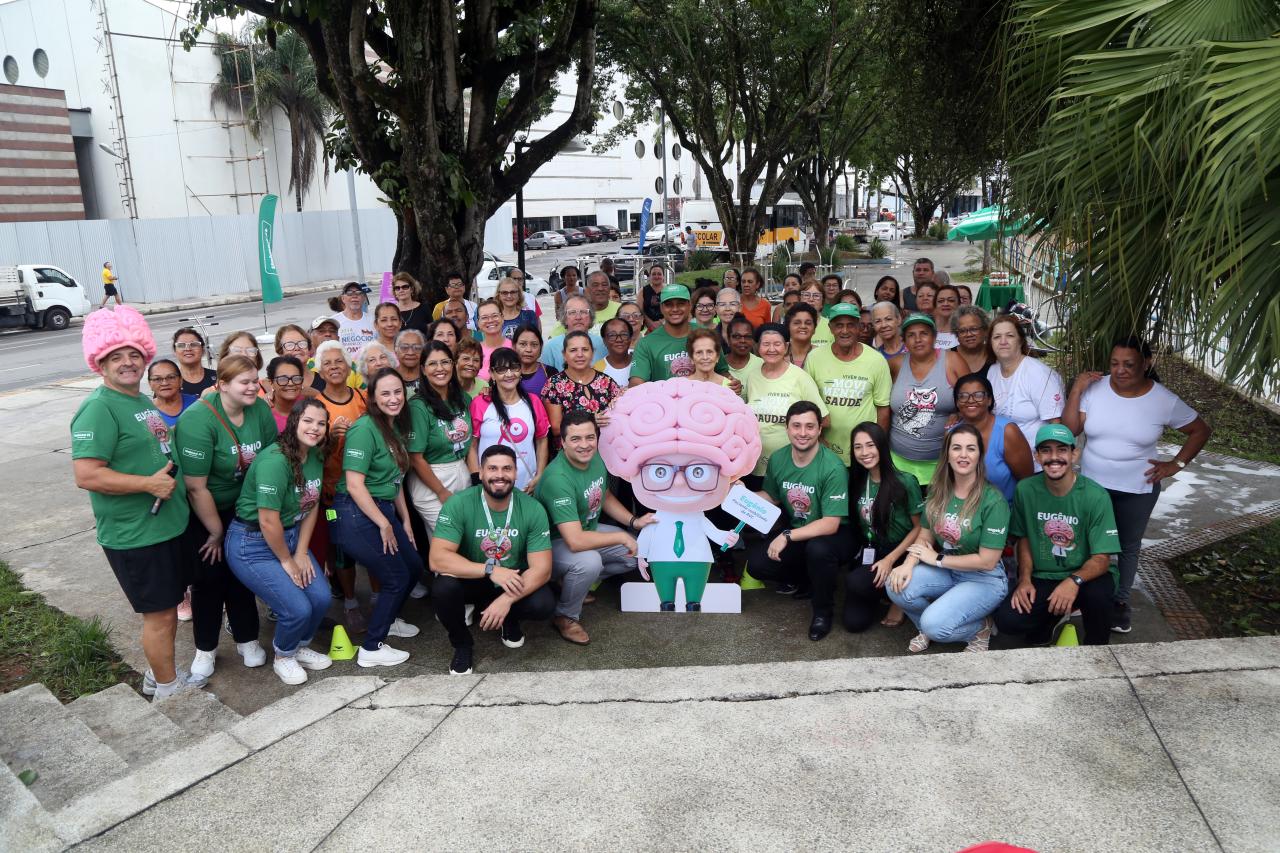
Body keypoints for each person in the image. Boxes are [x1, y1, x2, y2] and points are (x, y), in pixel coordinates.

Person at [71, 307, 197, 699]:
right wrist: (147, 484)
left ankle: (159, 674)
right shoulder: (99, 407)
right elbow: (87, 474)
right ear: (100, 362)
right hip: (136, 535)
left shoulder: (139, 400)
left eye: (133, 354)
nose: (127, 362)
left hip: (167, 526)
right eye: (116, 357)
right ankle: (168, 690)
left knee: (168, 608)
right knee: (158, 617)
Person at [1062, 336, 1211, 633]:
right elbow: (1070, 429)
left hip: (1137, 487)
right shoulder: (1095, 389)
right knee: (1085, 540)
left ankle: (1119, 602)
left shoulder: (1162, 400)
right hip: (1091, 485)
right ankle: (1083, 594)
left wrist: (1175, 465)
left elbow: (1200, 430)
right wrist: (1077, 390)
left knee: (1127, 547)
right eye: (1115, 364)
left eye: (1129, 364)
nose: (1120, 370)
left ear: (1146, 363)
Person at [173, 355, 277, 681]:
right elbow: (195, 486)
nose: (252, 387)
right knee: (208, 580)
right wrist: (216, 532)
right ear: (222, 385)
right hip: (205, 508)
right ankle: (206, 648)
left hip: (245, 506)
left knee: (242, 574)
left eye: (254, 380)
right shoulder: (197, 420)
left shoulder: (259, 409)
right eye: (244, 382)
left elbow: (272, 458)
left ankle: (247, 639)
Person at [225, 399, 334, 685]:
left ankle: (299, 646)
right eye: (308, 420)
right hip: (254, 545)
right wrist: (287, 560)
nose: (315, 428)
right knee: (297, 608)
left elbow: (311, 506)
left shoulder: (315, 455)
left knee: (321, 597)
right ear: (294, 421)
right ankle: (284, 655)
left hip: (291, 537)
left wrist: (300, 553)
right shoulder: (276, 460)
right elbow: (267, 520)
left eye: (321, 423)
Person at [430, 445, 555, 675]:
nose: (500, 475)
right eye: (493, 468)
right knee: (443, 588)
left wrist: (506, 600)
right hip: (475, 578)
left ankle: (509, 619)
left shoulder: (532, 508)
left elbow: (543, 569)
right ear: (481, 472)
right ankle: (462, 644)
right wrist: (490, 569)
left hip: (512, 580)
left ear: (516, 473)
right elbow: (437, 559)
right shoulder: (459, 503)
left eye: (507, 468)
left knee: (543, 603)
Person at [886, 424, 1010, 653]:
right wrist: (907, 564)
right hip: (948, 571)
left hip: (984, 579)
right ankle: (930, 624)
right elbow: (924, 535)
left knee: (935, 626)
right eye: (957, 448)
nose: (963, 455)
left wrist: (938, 559)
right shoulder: (938, 491)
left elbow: (987, 561)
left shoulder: (993, 501)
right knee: (896, 586)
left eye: (971, 449)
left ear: (979, 456)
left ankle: (980, 628)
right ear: (947, 454)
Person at [996, 425, 1121, 646]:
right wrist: (1024, 580)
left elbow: (1102, 559)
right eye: (1046, 450)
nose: (1054, 457)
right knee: (1008, 620)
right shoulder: (1026, 489)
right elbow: (1023, 538)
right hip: (1043, 575)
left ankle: (1098, 650)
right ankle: (1048, 622)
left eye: (1062, 450)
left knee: (1099, 598)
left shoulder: (1095, 496)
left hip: (1086, 576)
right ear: (1037, 456)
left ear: (1074, 454)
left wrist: (1073, 581)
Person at [331, 367, 422, 668]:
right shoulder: (364, 428)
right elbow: (355, 484)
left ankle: (391, 617)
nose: (394, 398)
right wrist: (385, 523)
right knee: (395, 577)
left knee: (413, 566)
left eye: (398, 392)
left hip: (382, 508)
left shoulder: (392, 426)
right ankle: (372, 646)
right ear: (371, 397)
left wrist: (404, 520)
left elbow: (395, 480)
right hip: (356, 512)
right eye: (385, 393)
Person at [536, 411, 650, 644]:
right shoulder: (558, 478)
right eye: (576, 439)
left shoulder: (595, 458)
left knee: (636, 554)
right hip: (550, 545)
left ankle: (569, 583)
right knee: (589, 562)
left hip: (586, 530)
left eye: (590, 437)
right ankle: (566, 616)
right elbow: (575, 541)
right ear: (563, 442)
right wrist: (620, 535)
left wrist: (633, 522)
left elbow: (604, 495)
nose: (584, 445)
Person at [747, 402, 853, 638]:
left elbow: (831, 523)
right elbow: (771, 497)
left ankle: (822, 611)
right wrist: (739, 494)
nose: (802, 433)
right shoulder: (778, 458)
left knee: (818, 550)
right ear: (787, 428)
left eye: (809, 426)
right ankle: (808, 579)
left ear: (819, 430)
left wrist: (786, 536)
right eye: (796, 426)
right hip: (800, 530)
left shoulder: (832, 466)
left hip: (834, 535)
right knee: (757, 564)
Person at [313, 339, 368, 635]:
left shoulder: (362, 397)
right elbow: (311, 453)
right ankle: (350, 601)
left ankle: (377, 595)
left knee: (372, 543)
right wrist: (330, 437)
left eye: (339, 362)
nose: (334, 367)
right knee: (341, 547)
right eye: (328, 363)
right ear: (319, 370)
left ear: (349, 367)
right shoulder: (316, 406)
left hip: (367, 486)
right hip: (333, 492)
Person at [849, 422, 923, 631]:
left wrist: (890, 560)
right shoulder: (857, 480)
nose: (865, 452)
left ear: (881, 446)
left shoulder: (905, 481)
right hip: (872, 549)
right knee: (854, 623)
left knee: (858, 583)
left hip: (901, 551)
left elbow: (920, 529)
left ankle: (898, 599)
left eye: (870, 445)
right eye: (858, 447)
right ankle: (885, 592)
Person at [804, 303, 892, 467]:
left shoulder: (876, 360)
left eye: (850, 325)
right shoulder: (814, 358)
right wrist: (818, 440)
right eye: (839, 325)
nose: (845, 331)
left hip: (864, 455)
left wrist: (876, 446)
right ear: (830, 328)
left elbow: (883, 409)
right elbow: (808, 406)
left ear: (859, 327)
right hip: (824, 451)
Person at [744, 324, 829, 479]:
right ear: (757, 347)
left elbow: (823, 418)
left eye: (777, 344)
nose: (771, 349)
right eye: (766, 344)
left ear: (786, 346)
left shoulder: (800, 377)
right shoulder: (752, 376)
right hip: (754, 466)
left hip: (791, 468)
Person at [406, 341, 473, 535]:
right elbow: (416, 458)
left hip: (462, 471)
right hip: (434, 480)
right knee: (448, 541)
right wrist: (441, 492)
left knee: (466, 540)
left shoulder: (461, 398)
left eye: (445, 362)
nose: (440, 368)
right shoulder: (418, 406)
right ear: (423, 370)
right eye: (433, 364)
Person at [888, 313, 961, 487]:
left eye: (924, 333)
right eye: (911, 335)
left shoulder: (952, 360)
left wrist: (958, 413)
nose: (918, 339)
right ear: (904, 340)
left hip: (941, 462)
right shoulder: (894, 364)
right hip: (898, 461)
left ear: (934, 337)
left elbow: (971, 395)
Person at [469, 348, 550, 493]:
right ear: (492, 374)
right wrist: (478, 480)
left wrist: (539, 475)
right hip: (490, 485)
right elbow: (472, 446)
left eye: (514, 368)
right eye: (501, 369)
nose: (509, 374)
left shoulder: (533, 402)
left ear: (520, 372)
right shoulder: (480, 403)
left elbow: (542, 440)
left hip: (527, 485)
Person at [987, 315, 1064, 453]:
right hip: (1002, 456)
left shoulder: (1038, 374)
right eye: (997, 337)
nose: (1003, 341)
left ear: (1020, 341)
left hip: (1035, 461)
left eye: (1010, 335)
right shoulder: (992, 371)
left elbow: (1055, 424)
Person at [953, 372, 1034, 504]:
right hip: (962, 513)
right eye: (963, 396)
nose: (971, 400)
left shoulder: (1007, 432)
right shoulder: (952, 433)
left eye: (978, 395)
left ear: (989, 400)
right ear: (957, 402)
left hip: (1004, 513)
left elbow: (1027, 482)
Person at [541, 330, 622, 441]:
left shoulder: (606, 381)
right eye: (573, 350)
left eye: (585, 350)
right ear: (564, 355)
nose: (580, 354)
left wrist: (622, 398)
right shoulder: (554, 384)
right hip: (571, 452)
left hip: (606, 449)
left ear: (592, 353)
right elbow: (556, 428)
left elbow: (621, 415)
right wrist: (590, 421)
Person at [630, 283, 699, 384]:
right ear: (661, 308)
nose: (675, 309)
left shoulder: (706, 335)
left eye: (680, 303)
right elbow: (636, 383)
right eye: (668, 305)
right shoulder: (646, 344)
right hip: (662, 399)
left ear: (689, 305)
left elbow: (721, 372)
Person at [542, 294, 606, 372]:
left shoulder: (603, 344)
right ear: (564, 318)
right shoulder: (550, 347)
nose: (578, 317)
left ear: (590, 317)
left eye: (583, 312)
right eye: (572, 312)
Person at [148, 358, 196, 428]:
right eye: (157, 379)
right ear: (150, 384)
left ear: (180, 380)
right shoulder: (145, 412)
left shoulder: (196, 403)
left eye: (171, 377)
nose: (165, 383)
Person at [332, 281, 375, 357]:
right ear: (343, 298)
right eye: (349, 293)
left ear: (364, 298)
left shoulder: (374, 320)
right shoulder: (333, 322)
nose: (354, 296)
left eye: (358, 293)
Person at [474, 298, 512, 381]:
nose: (490, 320)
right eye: (484, 317)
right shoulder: (475, 351)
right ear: (478, 322)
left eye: (495, 316)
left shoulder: (514, 347)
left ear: (502, 318)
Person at [266, 356, 306, 433]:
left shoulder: (310, 406)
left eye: (296, 378)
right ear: (271, 382)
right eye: (283, 379)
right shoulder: (264, 413)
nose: (290, 383)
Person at [272, 324, 317, 393]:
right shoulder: (274, 383)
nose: (297, 348)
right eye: (289, 345)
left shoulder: (324, 377)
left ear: (309, 348)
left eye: (302, 343)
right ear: (280, 351)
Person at [173, 327, 217, 397]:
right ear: (174, 351)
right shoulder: (169, 383)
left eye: (194, 344)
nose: (188, 349)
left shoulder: (219, 377)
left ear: (203, 350)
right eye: (181, 345)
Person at [952, 305, 992, 375]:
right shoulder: (947, 358)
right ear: (956, 334)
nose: (969, 334)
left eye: (974, 329)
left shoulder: (995, 355)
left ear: (985, 330)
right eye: (962, 331)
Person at [724, 315, 762, 388]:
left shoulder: (761, 365)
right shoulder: (718, 365)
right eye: (737, 336)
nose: (742, 341)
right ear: (728, 339)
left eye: (748, 337)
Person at [595, 317, 634, 386]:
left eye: (624, 334)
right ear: (604, 341)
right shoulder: (597, 369)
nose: (619, 340)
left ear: (630, 338)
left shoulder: (639, 361)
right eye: (612, 335)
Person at [307, 318, 340, 389]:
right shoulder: (306, 367)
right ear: (310, 337)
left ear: (338, 338)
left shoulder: (352, 366)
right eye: (321, 331)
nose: (328, 334)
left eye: (332, 331)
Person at [798, 283, 834, 347]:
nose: (811, 299)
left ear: (822, 303)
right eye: (806, 295)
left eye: (816, 295)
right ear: (799, 300)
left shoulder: (831, 325)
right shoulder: (792, 325)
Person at [785, 302, 819, 369]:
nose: (803, 326)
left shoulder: (821, 354)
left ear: (814, 329)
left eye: (808, 323)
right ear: (788, 327)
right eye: (797, 323)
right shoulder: (779, 352)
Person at [395, 328, 427, 398]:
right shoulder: (389, 376)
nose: (410, 352)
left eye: (417, 348)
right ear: (396, 351)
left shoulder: (430, 376)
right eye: (404, 347)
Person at [932, 284, 962, 349]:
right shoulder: (928, 329)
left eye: (951, 300)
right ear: (935, 305)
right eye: (941, 301)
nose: (945, 304)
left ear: (959, 304)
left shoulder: (964, 331)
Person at [638, 264, 665, 332]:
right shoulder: (642, 291)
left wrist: (663, 322)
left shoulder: (669, 290)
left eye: (659, 274)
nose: (656, 276)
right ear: (649, 276)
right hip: (647, 327)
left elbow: (672, 309)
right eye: (653, 274)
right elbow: (639, 310)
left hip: (667, 325)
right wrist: (650, 323)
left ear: (663, 276)